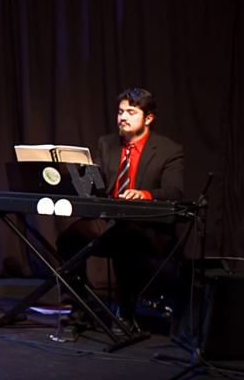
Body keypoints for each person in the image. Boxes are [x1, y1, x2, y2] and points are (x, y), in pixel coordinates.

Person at [56, 88, 184, 330]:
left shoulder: (169, 150)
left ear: (148, 118)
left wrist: (144, 194)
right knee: (69, 239)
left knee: (125, 239)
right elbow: (97, 185)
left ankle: (124, 311)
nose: (123, 117)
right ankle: (78, 308)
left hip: (145, 224)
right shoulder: (107, 144)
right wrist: (78, 175)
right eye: (120, 111)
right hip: (109, 219)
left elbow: (175, 192)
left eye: (131, 112)